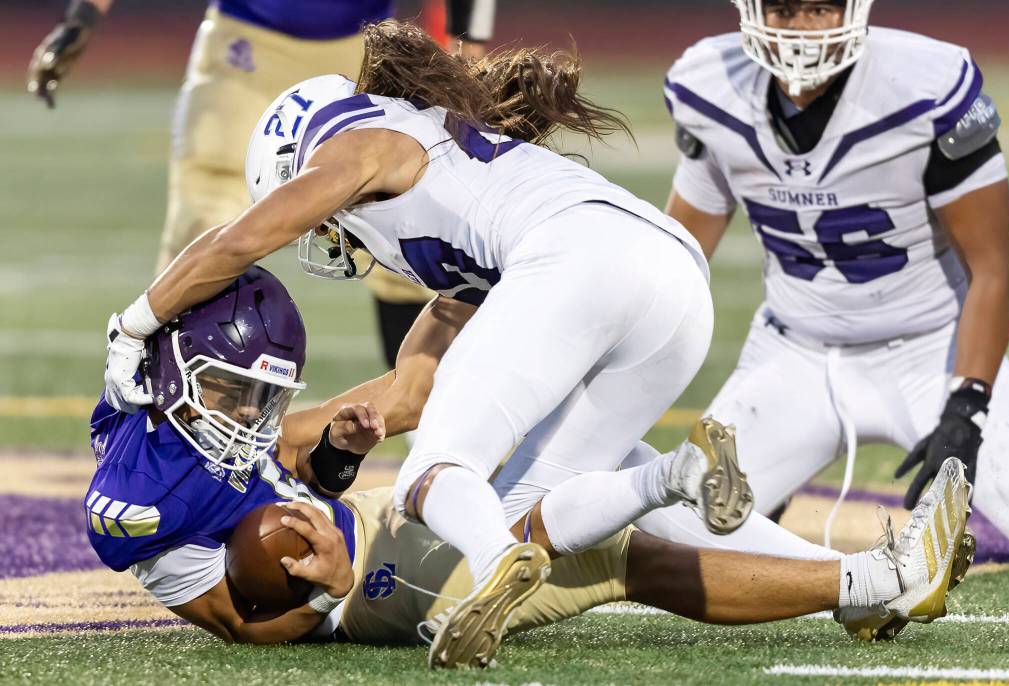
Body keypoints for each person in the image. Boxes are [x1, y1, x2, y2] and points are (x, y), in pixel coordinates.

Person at [99, 20, 764, 667]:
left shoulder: (360, 146)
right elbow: (412, 392)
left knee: (432, 474)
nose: (331, 232)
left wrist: (135, 324)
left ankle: (499, 564)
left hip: (580, 255)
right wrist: (326, 439)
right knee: (528, 506)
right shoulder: (447, 193)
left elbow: (242, 239)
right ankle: (843, 573)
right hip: (671, 279)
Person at [87, 267, 972, 654]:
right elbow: (245, 622)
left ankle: (849, 576)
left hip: (377, 538)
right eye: (234, 393)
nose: (250, 415)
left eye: (261, 397)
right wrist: (325, 582)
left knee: (568, 452)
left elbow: (306, 465)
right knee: (621, 558)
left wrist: (336, 459)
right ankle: (867, 579)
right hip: (364, 599)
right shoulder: (136, 501)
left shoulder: (197, 422)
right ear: (174, 373)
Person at [661, 0, 1009, 554]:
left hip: (931, 349)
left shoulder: (923, 85)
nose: (802, 29)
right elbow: (677, 258)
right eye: (783, 10)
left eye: (819, 9)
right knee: (676, 537)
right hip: (794, 354)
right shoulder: (709, 86)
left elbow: (994, 265)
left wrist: (967, 405)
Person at [26, 0, 497, 374]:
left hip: (368, 50)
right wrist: (82, 16)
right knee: (201, 221)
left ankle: (431, 424)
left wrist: (468, 50)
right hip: (244, 47)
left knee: (413, 235)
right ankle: (169, 419)